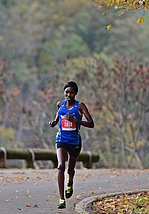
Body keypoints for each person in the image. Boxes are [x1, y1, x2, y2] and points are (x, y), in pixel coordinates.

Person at [49, 81, 94, 209]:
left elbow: (91, 123)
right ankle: (61, 199)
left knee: (70, 169)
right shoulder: (60, 104)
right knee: (60, 166)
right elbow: (59, 116)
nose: (69, 95)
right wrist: (54, 122)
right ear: (64, 93)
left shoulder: (80, 106)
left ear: (75, 94)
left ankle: (70, 182)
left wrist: (76, 120)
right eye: (67, 92)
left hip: (74, 141)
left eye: (72, 93)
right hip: (61, 139)